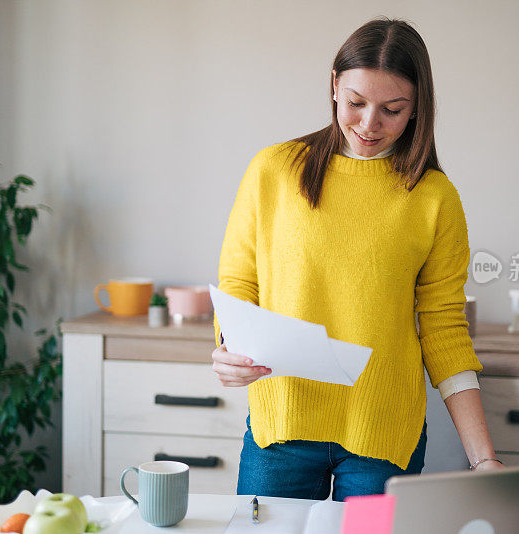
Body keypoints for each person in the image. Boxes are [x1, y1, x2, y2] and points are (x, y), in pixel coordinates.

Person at [211, 17, 503, 502]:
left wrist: (484, 459)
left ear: (417, 110)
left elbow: (444, 329)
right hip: (282, 425)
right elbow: (239, 284)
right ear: (334, 86)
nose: (370, 124)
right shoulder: (274, 171)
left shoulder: (433, 197)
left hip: (383, 435)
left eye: (392, 109)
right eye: (356, 103)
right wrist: (228, 350)